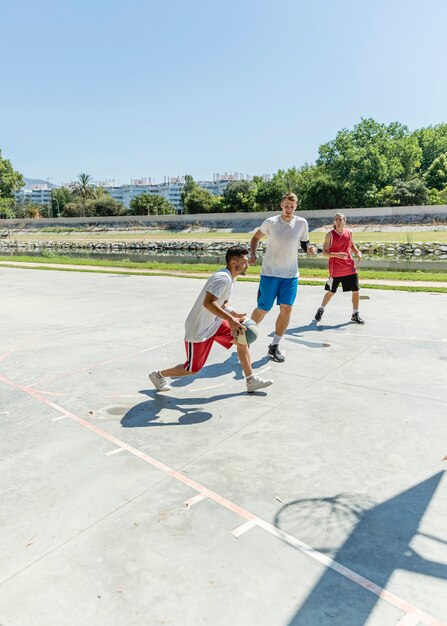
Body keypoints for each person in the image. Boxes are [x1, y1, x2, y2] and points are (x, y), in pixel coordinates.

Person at [149, 245, 273, 394]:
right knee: (192, 369)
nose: (247, 264)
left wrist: (233, 314)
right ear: (234, 263)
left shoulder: (231, 278)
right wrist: (230, 319)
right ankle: (158, 375)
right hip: (199, 328)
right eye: (244, 261)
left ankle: (251, 380)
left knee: (242, 338)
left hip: (215, 323)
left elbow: (223, 301)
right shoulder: (223, 278)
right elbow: (208, 303)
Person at [249, 192, 317, 362]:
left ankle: (274, 346)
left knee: (287, 308)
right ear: (281, 205)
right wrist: (252, 254)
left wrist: (310, 248)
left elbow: (304, 242)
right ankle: (244, 336)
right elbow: (255, 238)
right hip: (270, 273)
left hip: (290, 274)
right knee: (263, 309)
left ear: (296, 207)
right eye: (286, 206)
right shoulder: (271, 222)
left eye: (292, 207)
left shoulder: (302, 223)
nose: (289, 209)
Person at [314, 212, 365, 324]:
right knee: (331, 292)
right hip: (335, 269)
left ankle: (355, 314)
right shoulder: (330, 235)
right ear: (334, 222)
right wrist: (337, 255)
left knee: (356, 290)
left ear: (344, 221)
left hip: (349, 266)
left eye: (340, 219)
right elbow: (324, 252)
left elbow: (351, 245)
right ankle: (321, 309)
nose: (338, 220)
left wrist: (357, 252)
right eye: (336, 219)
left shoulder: (349, 232)